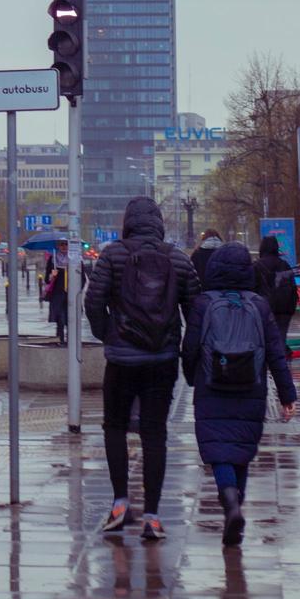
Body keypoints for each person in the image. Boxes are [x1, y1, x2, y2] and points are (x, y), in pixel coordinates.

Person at [84, 196, 201, 541]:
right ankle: (152, 515)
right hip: (162, 362)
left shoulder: (112, 255)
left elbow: (93, 301)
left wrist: (108, 334)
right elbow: (195, 312)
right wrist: (182, 351)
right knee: (155, 434)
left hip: (121, 361)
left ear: (128, 221)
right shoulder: (178, 259)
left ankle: (120, 502)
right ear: (159, 222)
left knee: (114, 427)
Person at [182, 241, 297, 545]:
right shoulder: (259, 305)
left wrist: (191, 377)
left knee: (218, 450)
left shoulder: (203, 304)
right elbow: (275, 353)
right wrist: (287, 395)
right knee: (241, 451)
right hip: (251, 387)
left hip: (212, 385)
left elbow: (190, 346)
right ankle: (237, 506)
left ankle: (230, 502)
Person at [254, 235, 298, 354]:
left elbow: (253, 288)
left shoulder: (257, 266)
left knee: (263, 340)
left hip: (265, 308)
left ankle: (267, 366)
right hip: (285, 309)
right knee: (281, 339)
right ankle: (282, 366)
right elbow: (293, 287)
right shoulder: (284, 265)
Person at [44, 239, 70, 344]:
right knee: (60, 319)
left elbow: (81, 277)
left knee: (71, 319)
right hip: (57, 295)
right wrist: (52, 275)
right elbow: (47, 279)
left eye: (66, 244)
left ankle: (71, 340)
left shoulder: (75, 259)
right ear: (58, 246)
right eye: (61, 245)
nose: (64, 247)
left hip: (71, 295)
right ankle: (60, 340)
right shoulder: (53, 259)